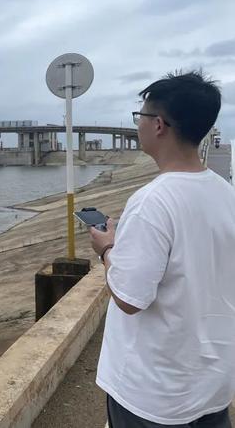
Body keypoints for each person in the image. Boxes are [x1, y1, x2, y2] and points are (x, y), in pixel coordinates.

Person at [89, 70, 235, 427]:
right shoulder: (225, 194)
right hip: (211, 384)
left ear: (158, 125)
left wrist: (108, 250)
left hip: (153, 393)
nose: (137, 124)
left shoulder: (153, 201)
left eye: (140, 116)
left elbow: (130, 297)